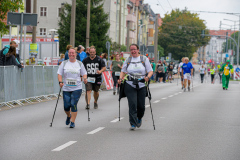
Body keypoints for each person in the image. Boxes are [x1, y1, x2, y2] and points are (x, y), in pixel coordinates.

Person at [118, 44, 153, 130]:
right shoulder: (128, 60)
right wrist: (120, 78)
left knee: (141, 106)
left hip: (141, 84)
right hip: (130, 84)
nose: (133, 51)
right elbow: (123, 71)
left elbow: (150, 71)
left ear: (138, 50)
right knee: (132, 104)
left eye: (134, 49)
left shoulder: (144, 59)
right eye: (131, 50)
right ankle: (133, 123)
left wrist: (148, 77)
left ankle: (139, 117)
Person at [57, 47, 88, 128]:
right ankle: (68, 116)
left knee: (73, 104)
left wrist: (84, 78)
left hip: (77, 88)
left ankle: (73, 122)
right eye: (70, 53)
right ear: (68, 54)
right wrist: (60, 82)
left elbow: (84, 73)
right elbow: (59, 74)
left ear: (75, 54)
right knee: (66, 106)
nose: (71, 54)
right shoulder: (64, 63)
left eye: (73, 53)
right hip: (66, 88)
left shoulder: (80, 63)